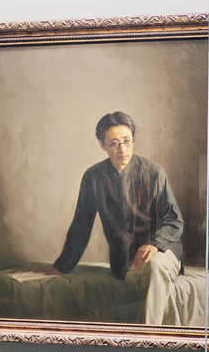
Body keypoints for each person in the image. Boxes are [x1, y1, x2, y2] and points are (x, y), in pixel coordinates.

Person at [36, 111, 184, 324]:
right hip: (124, 261)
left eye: (127, 141)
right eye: (114, 144)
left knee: (154, 266)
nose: (122, 149)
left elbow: (173, 219)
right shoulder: (93, 177)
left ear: (133, 140)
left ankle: (146, 337)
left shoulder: (153, 172)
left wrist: (154, 243)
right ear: (102, 145)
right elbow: (81, 225)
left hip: (162, 252)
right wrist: (62, 266)